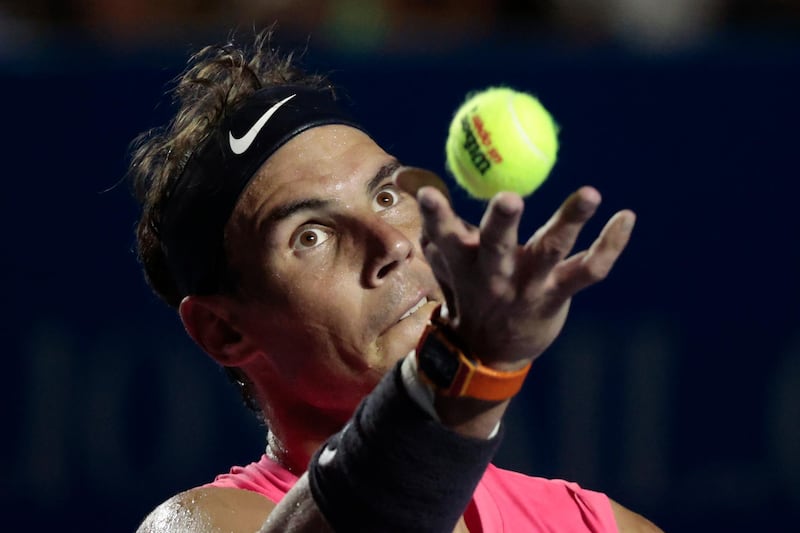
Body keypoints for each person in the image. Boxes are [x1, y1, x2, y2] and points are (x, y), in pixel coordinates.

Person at [129, 29, 661, 533]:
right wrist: (463, 366)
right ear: (224, 330)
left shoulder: (596, 524)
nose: (391, 244)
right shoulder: (205, 523)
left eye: (387, 197)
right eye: (311, 235)